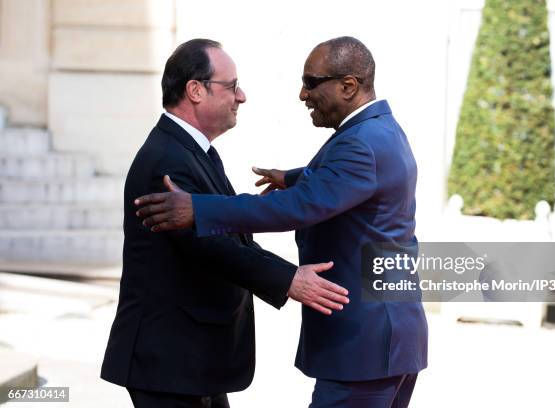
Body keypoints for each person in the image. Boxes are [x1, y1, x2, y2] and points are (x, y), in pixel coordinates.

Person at [135, 36, 428, 407]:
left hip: (366, 345)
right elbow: (342, 180)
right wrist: (290, 176)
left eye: (310, 82)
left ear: (348, 86)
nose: (303, 95)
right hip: (388, 338)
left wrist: (199, 209)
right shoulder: (379, 131)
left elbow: (300, 207)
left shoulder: (360, 144)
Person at [100, 38, 349, 408]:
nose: (242, 96)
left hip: (193, 361)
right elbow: (210, 245)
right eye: (232, 86)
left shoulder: (195, 152)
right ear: (195, 90)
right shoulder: (168, 161)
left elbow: (230, 233)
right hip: (168, 361)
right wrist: (289, 280)